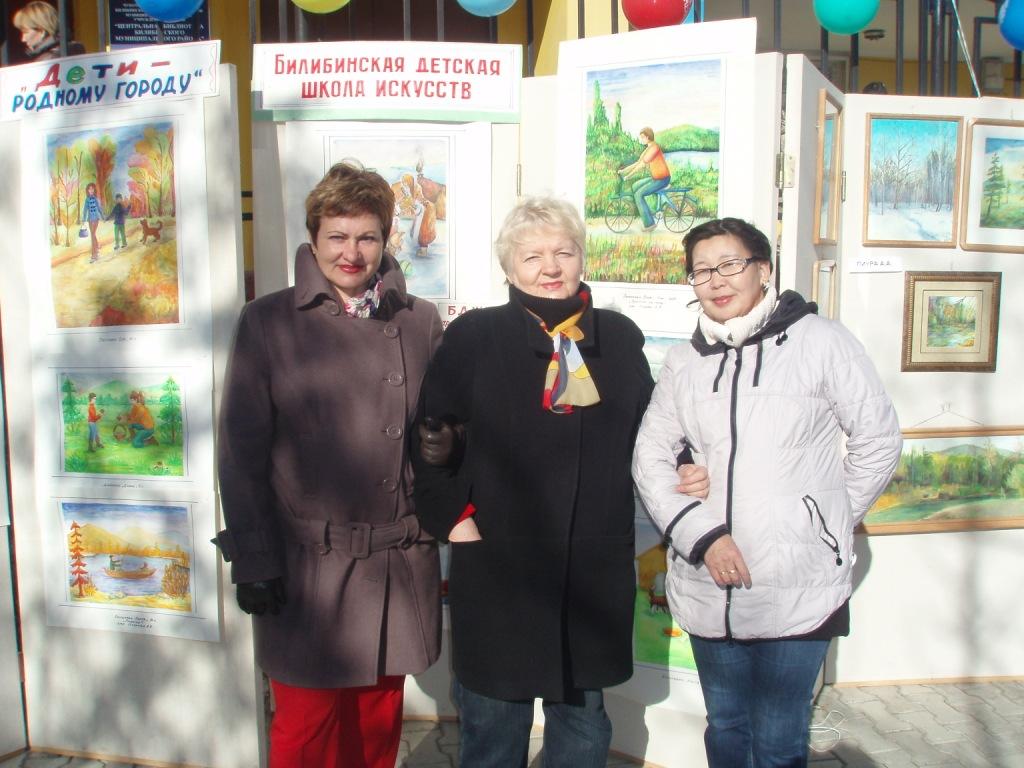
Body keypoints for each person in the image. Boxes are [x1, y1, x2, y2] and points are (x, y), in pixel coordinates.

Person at [412, 196, 708, 768]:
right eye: (532, 256)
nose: (550, 267)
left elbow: (650, 426)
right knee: (494, 725)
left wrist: (683, 463)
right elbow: (428, 438)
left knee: (583, 726)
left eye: (563, 252)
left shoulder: (616, 337)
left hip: (587, 564)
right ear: (509, 267)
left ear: (581, 258)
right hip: (501, 563)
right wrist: (454, 519)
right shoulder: (475, 335)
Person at [632, 217, 902, 768]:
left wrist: (822, 522)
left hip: (798, 582)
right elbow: (650, 458)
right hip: (709, 579)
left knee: (779, 736)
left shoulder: (822, 342)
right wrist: (702, 536)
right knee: (726, 726)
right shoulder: (685, 361)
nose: (716, 280)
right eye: (701, 270)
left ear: (764, 270)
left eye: (730, 264)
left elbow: (878, 441)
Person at [214, 161, 443, 768]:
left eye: (367, 237)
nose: (352, 253)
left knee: (376, 726)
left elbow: (439, 430)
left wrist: (446, 445)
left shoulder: (419, 321)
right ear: (313, 238)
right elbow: (240, 453)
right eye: (337, 236)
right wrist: (253, 560)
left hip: (393, 562)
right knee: (305, 730)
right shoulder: (268, 321)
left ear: (386, 239)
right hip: (306, 570)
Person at [618, 127, 671, 232]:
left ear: (648, 137)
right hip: (655, 178)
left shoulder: (654, 148)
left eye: (642, 137)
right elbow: (638, 163)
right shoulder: (648, 148)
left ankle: (649, 224)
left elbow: (641, 165)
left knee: (638, 194)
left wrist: (629, 176)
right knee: (635, 186)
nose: (641, 139)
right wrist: (624, 171)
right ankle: (644, 211)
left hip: (662, 179)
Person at [12, 1, 84, 61]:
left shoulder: (49, 59)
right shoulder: (73, 48)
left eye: (25, 32)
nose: (23, 39)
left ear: (42, 30)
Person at [81, 182, 102, 262]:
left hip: (96, 219)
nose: (91, 190)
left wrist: (103, 217)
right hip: (90, 219)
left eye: (92, 189)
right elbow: (85, 210)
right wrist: (83, 219)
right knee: (93, 234)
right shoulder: (87, 200)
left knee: (92, 235)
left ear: (94, 190)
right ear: (87, 190)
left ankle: (94, 254)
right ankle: (97, 245)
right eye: (89, 189)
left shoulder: (96, 199)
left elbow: (99, 209)